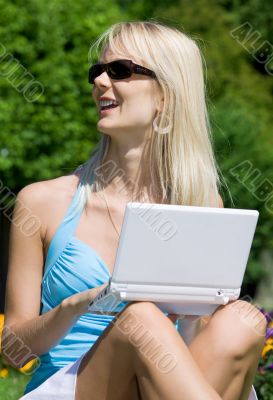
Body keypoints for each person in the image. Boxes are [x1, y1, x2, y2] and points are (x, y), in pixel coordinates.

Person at [2, 21, 266, 400]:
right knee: (140, 317)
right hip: (67, 388)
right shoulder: (44, 201)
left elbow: (202, 345)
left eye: (120, 71)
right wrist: (77, 305)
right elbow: (13, 351)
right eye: (98, 71)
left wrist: (200, 315)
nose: (100, 82)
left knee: (243, 320)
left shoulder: (203, 205)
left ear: (166, 95)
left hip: (162, 389)